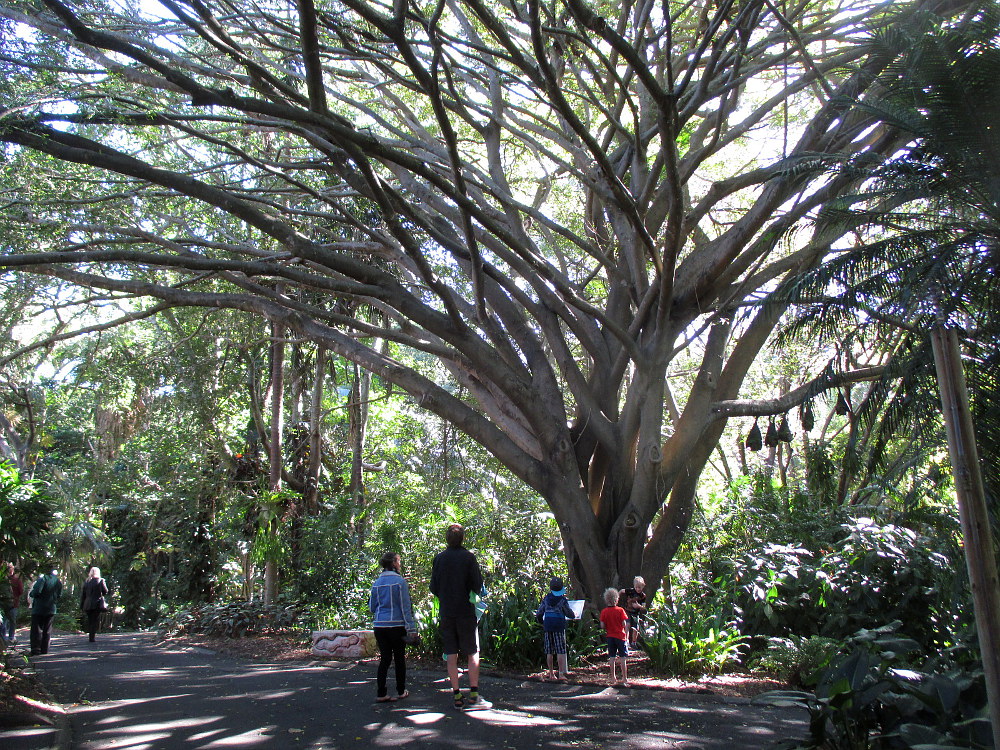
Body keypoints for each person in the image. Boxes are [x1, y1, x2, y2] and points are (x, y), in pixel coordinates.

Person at [429, 523, 486, 709]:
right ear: (462, 538)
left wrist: (446, 596)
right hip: (466, 612)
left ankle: (457, 696)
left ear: (446, 538)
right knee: (472, 652)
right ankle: (474, 694)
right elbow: (477, 584)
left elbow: (433, 587)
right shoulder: (469, 558)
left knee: (451, 654)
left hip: (447, 612)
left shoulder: (439, 559)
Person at [368, 551, 417, 703]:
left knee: (385, 659)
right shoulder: (400, 582)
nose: (400, 564)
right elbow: (405, 607)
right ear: (394, 562)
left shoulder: (376, 583)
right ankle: (401, 691)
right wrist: (412, 629)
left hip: (380, 626)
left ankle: (381, 693)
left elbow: (372, 607)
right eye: (399, 561)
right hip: (396, 626)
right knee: (399, 659)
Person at [534, 576, 577, 681]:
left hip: (548, 626)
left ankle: (551, 674)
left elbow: (539, 613)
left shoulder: (546, 599)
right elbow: (569, 614)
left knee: (549, 651)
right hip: (559, 626)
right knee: (560, 650)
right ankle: (561, 674)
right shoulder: (562, 600)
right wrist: (573, 614)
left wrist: (542, 623)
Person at [29, 563, 63, 656]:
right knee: (47, 629)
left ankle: (36, 649)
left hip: (39, 607)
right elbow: (59, 595)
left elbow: (36, 592)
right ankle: (45, 649)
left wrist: (32, 593)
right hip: (51, 608)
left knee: (37, 629)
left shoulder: (43, 579)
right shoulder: (58, 581)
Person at [599, 587, 629, 686]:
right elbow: (624, 623)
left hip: (610, 637)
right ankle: (624, 678)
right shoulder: (620, 610)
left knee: (612, 657)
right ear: (616, 599)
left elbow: (602, 625)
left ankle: (613, 678)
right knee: (623, 658)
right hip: (620, 636)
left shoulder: (604, 612)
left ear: (606, 600)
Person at [80, 566, 109, 643]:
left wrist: (82, 605)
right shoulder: (100, 581)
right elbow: (105, 591)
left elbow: (83, 595)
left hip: (87, 603)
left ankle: (91, 636)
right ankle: (92, 637)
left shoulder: (87, 582)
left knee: (90, 620)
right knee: (95, 620)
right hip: (97, 603)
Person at [621, 576, 647, 648]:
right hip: (628, 611)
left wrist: (638, 606)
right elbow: (622, 591)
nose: (638, 589)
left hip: (636, 613)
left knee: (636, 628)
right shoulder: (630, 591)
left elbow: (644, 607)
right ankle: (625, 641)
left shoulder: (643, 596)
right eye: (636, 587)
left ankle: (633, 642)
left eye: (639, 587)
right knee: (627, 625)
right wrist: (618, 596)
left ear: (643, 586)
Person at [4, 562, 23, 643]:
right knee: (12, 621)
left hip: (5, 604)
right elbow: (21, 591)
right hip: (13, 603)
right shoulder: (16, 580)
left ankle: (3, 637)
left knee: (4, 622)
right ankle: (11, 637)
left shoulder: (3, 580)